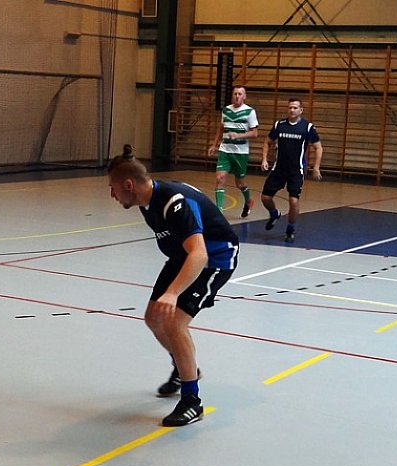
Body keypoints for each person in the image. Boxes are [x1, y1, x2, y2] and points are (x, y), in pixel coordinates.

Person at [107, 145, 239, 427]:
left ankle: (192, 401)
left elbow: (199, 254)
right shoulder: (147, 201)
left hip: (215, 257)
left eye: (113, 188)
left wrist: (172, 292)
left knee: (175, 322)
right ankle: (183, 367)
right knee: (153, 318)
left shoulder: (173, 202)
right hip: (183, 256)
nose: (112, 195)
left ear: (128, 185)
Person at [260, 97, 323, 243]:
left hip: (296, 170)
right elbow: (267, 142)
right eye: (290, 107)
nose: (292, 110)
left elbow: (318, 147)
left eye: (295, 108)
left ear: (301, 110)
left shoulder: (307, 127)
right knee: (265, 198)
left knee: (293, 201)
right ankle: (274, 214)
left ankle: (290, 228)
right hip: (279, 168)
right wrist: (264, 159)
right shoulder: (279, 125)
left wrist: (316, 167)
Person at [208, 85, 259, 217]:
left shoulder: (250, 112)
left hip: (241, 153)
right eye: (235, 93)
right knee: (219, 178)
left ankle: (248, 201)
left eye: (240, 94)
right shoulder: (226, 110)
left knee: (240, 183)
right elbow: (221, 128)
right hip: (225, 150)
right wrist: (214, 145)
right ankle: (219, 211)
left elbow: (255, 133)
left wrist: (238, 135)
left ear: (244, 96)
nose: (237, 96)